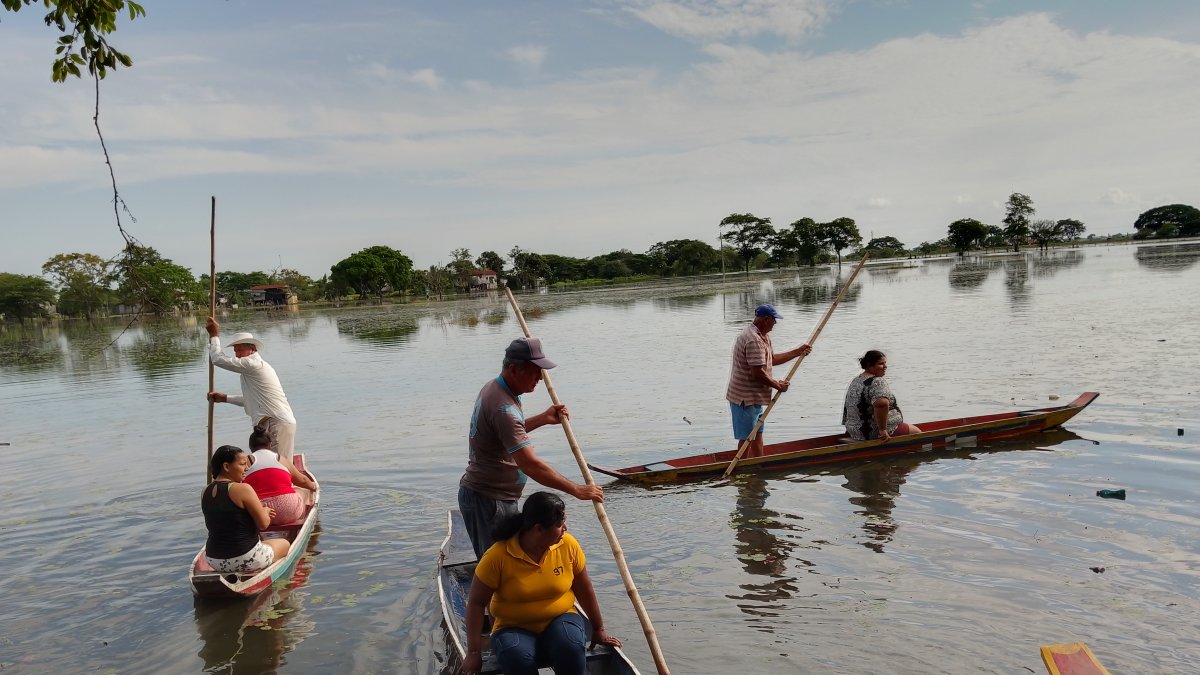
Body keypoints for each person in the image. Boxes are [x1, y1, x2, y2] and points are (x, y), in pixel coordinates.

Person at [458, 337, 604, 558]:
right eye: (535, 371)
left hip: (497, 496)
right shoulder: (503, 407)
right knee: (497, 570)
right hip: (488, 499)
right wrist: (577, 490)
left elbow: (506, 434)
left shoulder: (497, 388)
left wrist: (543, 418)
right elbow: (529, 464)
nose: (540, 378)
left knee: (510, 563)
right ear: (514, 369)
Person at [459, 492, 622, 675]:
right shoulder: (497, 556)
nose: (565, 528)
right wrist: (473, 652)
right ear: (538, 529)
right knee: (516, 657)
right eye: (560, 525)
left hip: (561, 618)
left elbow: (584, 588)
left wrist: (598, 629)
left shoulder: (568, 545)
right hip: (512, 626)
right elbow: (476, 603)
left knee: (571, 647)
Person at [725, 303, 813, 458]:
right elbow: (757, 373)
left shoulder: (763, 337)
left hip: (756, 397)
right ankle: (741, 470)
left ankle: (758, 465)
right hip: (745, 398)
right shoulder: (753, 340)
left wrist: (798, 352)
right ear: (765, 320)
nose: (775, 324)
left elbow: (771, 359)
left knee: (757, 435)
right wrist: (777, 385)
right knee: (746, 439)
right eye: (774, 320)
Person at [205, 316, 298, 461]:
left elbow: (217, 359)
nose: (237, 355)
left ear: (252, 349)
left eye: (240, 350)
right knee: (270, 466)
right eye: (235, 351)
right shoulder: (249, 370)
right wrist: (225, 398)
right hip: (268, 423)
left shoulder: (253, 364)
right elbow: (252, 400)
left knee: (281, 467)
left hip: (277, 422)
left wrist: (214, 336)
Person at [201, 445, 290, 573]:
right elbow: (263, 524)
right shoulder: (243, 488)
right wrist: (264, 511)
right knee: (284, 544)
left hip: (213, 560)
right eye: (242, 464)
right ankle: (264, 572)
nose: (247, 468)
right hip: (245, 557)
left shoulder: (205, 491)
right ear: (226, 467)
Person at [842, 350, 923, 442]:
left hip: (855, 431)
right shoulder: (877, 381)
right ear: (869, 365)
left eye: (885, 363)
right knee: (917, 433)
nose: (885, 366)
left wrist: (849, 428)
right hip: (873, 432)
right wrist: (883, 430)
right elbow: (881, 404)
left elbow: (849, 405)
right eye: (881, 364)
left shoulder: (856, 380)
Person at [244, 425, 317, 526]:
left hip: (261, 513)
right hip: (288, 510)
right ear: (270, 445)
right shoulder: (279, 458)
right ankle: (302, 517)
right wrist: (313, 486)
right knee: (302, 490)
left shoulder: (244, 462)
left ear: (251, 447)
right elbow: (302, 481)